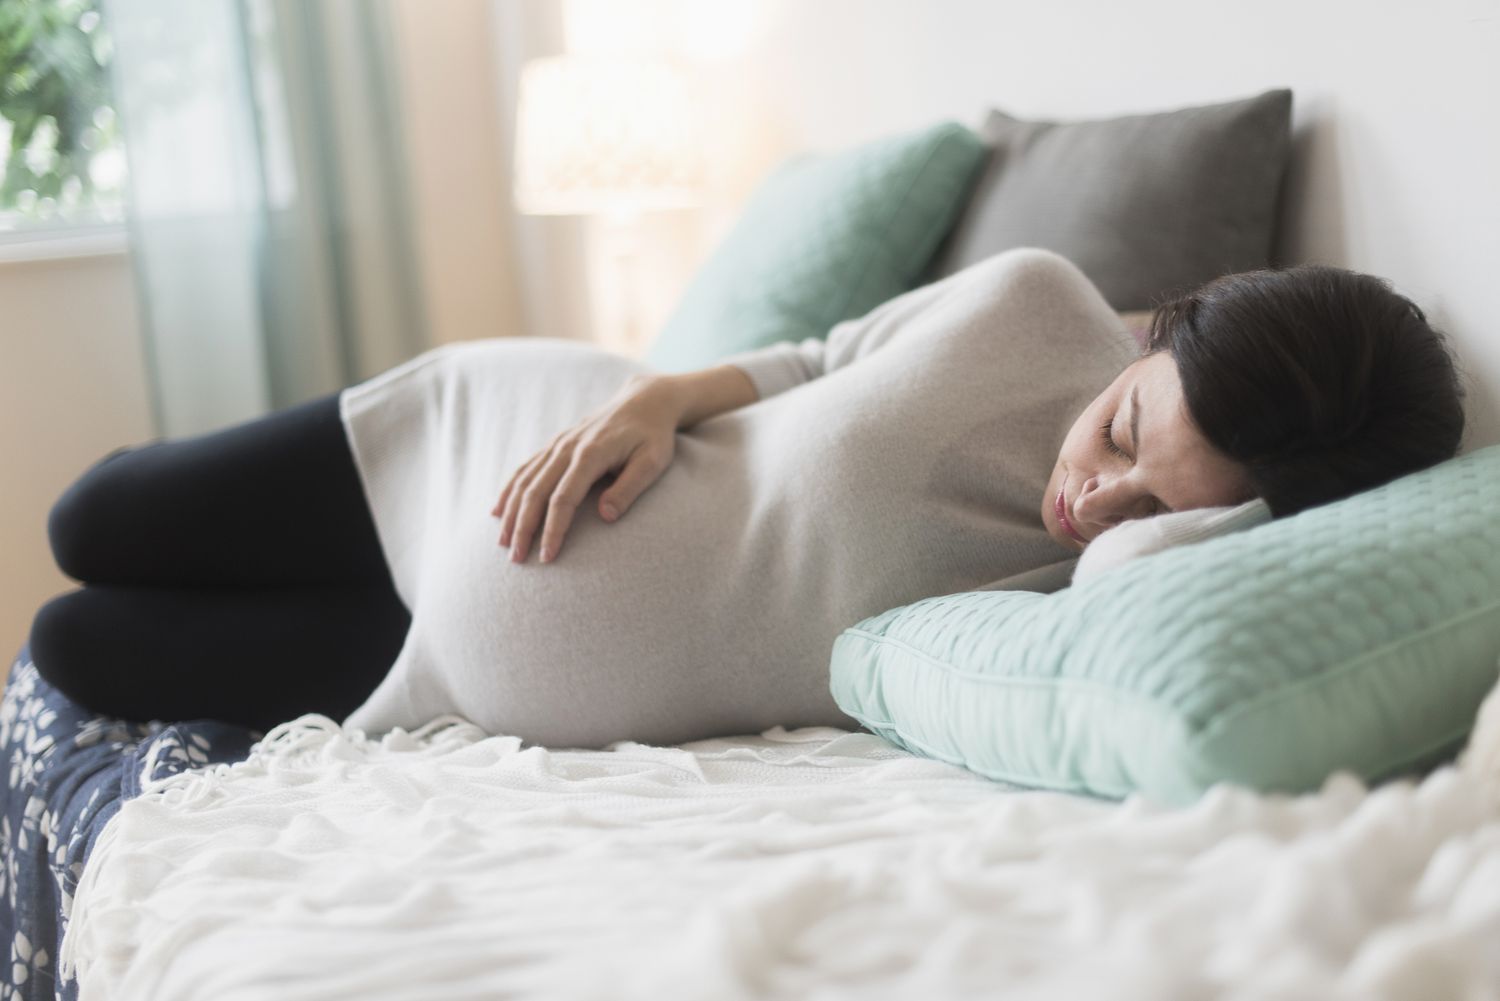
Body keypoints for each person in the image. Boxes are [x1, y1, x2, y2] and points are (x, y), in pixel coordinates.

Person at [28, 249, 1466, 744]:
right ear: (1161, 328)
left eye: (1161, 499)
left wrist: (1207, 507)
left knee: (70, 649)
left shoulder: (1104, 591)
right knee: (90, 522)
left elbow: (1139, 573)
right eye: (1121, 431)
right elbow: (815, 354)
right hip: (506, 432)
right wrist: (653, 399)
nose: (1095, 496)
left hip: (444, 678)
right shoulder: (1033, 301)